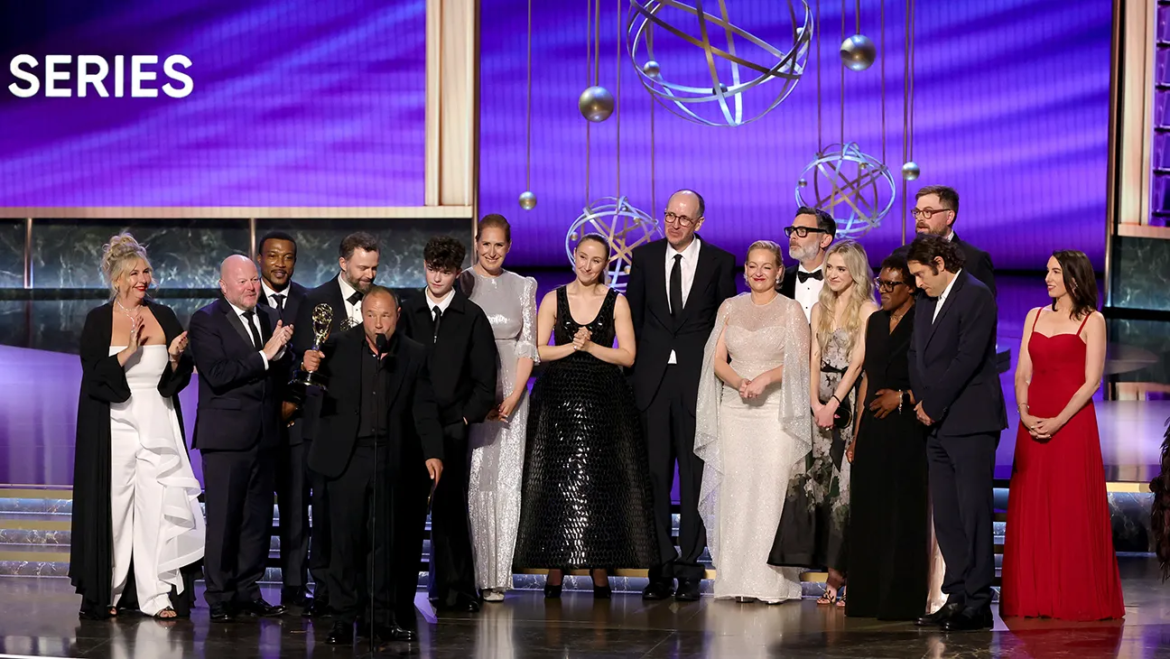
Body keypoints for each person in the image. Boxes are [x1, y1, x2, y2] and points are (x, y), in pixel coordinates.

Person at [300, 287, 445, 645]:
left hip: (391, 458)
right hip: (347, 458)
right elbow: (308, 385)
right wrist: (305, 366)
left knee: (384, 544)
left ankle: (381, 619)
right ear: (361, 315)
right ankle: (342, 618)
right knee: (345, 542)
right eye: (371, 316)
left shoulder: (413, 354)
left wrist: (433, 452)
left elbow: (423, 407)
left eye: (385, 316)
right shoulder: (334, 346)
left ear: (397, 315)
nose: (378, 323)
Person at [515, 234, 657, 597]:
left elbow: (627, 356)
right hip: (558, 402)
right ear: (574, 257)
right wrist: (570, 347)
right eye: (583, 257)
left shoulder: (616, 302)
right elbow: (535, 351)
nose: (588, 265)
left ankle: (599, 568)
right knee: (556, 485)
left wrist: (592, 345)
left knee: (600, 487)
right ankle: (554, 569)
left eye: (596, 260)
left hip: (603, 403)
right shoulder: (554, 298)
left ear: (605, 264)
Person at [70, 233, 203, 620]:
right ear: (116, 279)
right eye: (133, 272)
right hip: (115, 425)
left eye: (146, 271)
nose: (142, 278)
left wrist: (177, 359)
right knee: (115, 510)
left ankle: (156, 594)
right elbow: (94, 377)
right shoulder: (99, 320)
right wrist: (126, 354)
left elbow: (175, 377)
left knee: (156, 509)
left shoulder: (163, 315)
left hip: (157, 420)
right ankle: (108, 591)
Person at [625, 189, 737, 602]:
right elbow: (632, 319)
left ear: (699, 223)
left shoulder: (720, 262)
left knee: (693, 478)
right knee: (653, 479)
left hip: (699, 384)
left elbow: (727, 326)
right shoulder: (645, 258)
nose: (673, 224)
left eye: (683, 218)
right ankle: (659, 567)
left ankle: (690, 568)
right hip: (651, 385)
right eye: (669, 216)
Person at [1000, 251, 1124, 621]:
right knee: (1032, 507)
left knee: (1070, 509)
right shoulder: (1034, 316)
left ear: (1073, 278)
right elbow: (1023, 372)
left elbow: (1092, 382)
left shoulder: (1092, 321)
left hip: (1072, 426)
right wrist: (1024, 412)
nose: (1046, 278)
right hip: (1033, 421)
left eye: (1054, 272)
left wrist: (1057, 421)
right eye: (1047, 271)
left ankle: (1072, 596)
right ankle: (1033, 595)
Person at [693, 241, 810, 604]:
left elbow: (801, 361)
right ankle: (735, 580)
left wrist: (764, 380)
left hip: (773, 411)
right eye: (752, 265)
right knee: (736, 490)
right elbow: (717, 359)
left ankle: (770, 583)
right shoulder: (730, 307)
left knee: (770, 489)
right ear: (745, 270)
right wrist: (739, 381)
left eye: (766, 266)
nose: (758, 272)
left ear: (779, 271)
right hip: (735, 407)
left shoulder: (791, 310)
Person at [905, 234, 1005, 632]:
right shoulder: (927, 299)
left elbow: (968, 359)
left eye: (919, 275)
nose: (916, 284)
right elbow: (916, 352)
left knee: (973, 514)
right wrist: (922, 401)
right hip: (936, 422)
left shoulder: (976, 296)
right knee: (946, 516)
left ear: (940, 264)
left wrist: (933, 403)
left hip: (971, 422)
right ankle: (957, 595)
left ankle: (978, 602)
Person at [770, 240, 877, 607]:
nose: (831, 274)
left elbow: (858, 363)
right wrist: (815, 401)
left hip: (847, 402)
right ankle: (825, 567)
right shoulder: (818, 308)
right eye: (829, 267)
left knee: (844, 489)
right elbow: (814, 356)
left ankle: (840, 575)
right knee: (814, 486)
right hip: (818, 403)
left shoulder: (868, 309)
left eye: (840, 269)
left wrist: (833, 402)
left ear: (855, 273)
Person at [188, 255, 294, 622]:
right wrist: (265, 355)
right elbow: (218, 374)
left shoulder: (266, 317)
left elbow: (276, 369)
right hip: (226, 439)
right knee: (224, 519)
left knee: (257, 520)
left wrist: (285, 353)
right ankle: (219, 596)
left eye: (254, 280)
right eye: (243, 281)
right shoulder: (206, 320)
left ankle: (248, 591)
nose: (251, 287)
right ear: (224, 285)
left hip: (264, 435)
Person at [399, 236, 498, 612]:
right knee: (407, 512)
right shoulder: (406, 313)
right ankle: (400, 594)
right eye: (431, 267)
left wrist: (462, 419)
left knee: (451, 514)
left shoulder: (471, 318)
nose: (436, 276)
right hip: (410, 429)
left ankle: (456, 591)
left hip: (453, 429)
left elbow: (485, 382)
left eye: (444, 270)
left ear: (458, 272)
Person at [288, 231, 381, 616]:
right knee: (324, 510)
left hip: (368, 426)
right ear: (343, 263)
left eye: (374, 268)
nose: (369, 275)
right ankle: (325, 589)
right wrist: (306, 363)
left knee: (363, 512)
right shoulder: (313, 301)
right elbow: (300, 358)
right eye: (363, 268)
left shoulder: (381, 302)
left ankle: (361, 588)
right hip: (327, 422)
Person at [844, 253, 930, 620]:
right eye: (881, 283)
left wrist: (905, 398)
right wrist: (856, 433)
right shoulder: (876, 323)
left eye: (892, 285)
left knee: (902, 512)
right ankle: (866, 598)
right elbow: (868, 378)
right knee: (869, 511)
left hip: (909, 426)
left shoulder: (923, 322)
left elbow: (930, 377)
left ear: (910, 288)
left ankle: (900, 601)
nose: (884, 291)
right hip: (874, 428)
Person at [459, 215, 539, 603]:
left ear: (508, 246)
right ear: (477, 243)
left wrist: (512, 395)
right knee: (475, 481)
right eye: (485, 244)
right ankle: (470, 572)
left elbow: (528, 346)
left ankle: (496, 577)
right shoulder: (461, 282)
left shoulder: (524, 286)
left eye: (499, 245)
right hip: (474, 393)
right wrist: (482, 397)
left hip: (514, 393)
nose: (492, 251)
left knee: (506, 484)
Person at [254, 231, 312, 612]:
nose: (280, 264)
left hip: (295, 424)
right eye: (273, 256)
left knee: (295, 510)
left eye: (287, 257)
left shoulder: (310, 301)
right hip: (253, 425)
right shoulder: (242, 296)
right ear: (260, 258)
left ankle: (294, 586)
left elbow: (317, 357)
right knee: (253, 511)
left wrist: (293, 402)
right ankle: (247, 587)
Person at [911, 185, 996, 296]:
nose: (920, 218)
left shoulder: (974, 259)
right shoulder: (902, 255)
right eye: (917, 212)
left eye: (928, 212)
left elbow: (984, 308)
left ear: (949, 217)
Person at [780, 206, 837, 321]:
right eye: (792, 230)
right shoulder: (781, 279)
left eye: (802, 231)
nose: (792, 236)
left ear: (824, 240)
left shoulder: (840, 280)